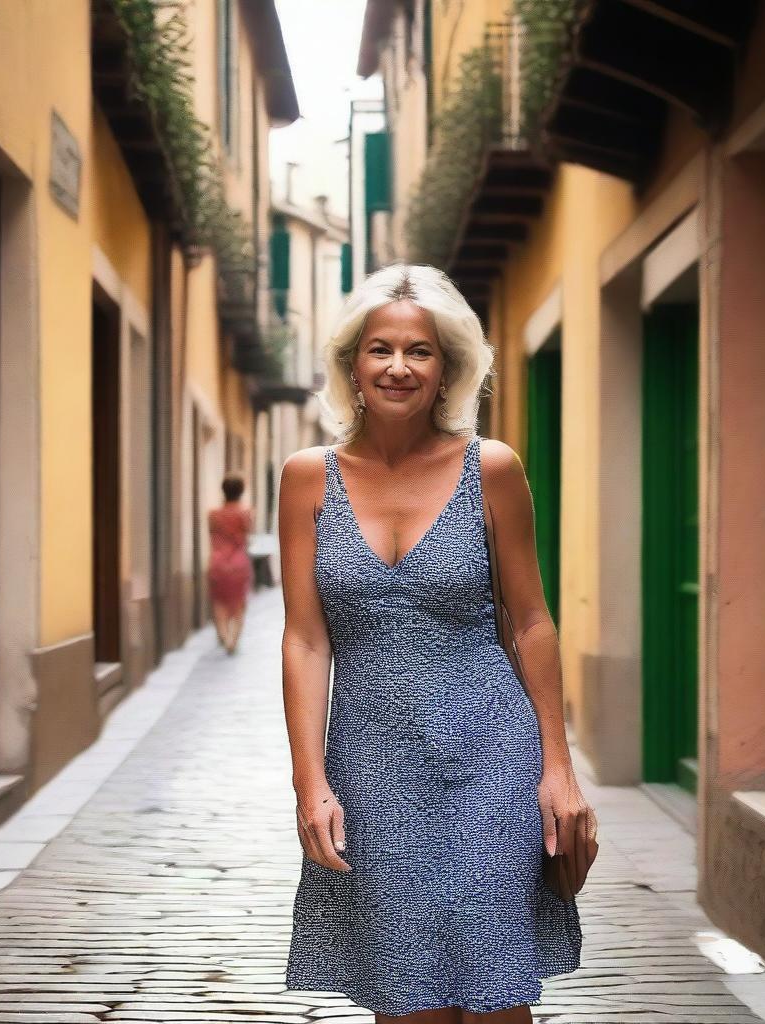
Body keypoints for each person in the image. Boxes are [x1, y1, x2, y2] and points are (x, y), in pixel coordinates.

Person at [279, 264, 598, 1023]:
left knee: (494, 993)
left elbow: (531, 623)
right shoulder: (305, 480)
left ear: (446, 368)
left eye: (418, 351)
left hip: (492, 756)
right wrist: (309, 782)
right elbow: (304, 638)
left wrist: (559, 768)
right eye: (379, 349)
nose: (397, 366)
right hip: (372, 765)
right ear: (353, 366)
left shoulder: (491, 470)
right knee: (404, 994)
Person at [207, 473, 254, 654]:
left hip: (218, 562)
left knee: (219, 601)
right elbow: (246, 535)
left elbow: (212, 535)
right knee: (239, 602)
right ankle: (233, 640)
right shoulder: (246, 514)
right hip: (239, 563)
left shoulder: (213, 515)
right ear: (241, 491)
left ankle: (224, 634)